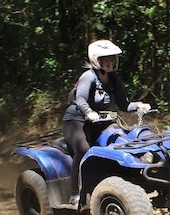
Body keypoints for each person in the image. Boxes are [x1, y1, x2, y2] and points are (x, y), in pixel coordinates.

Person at [62, 39, 151, 205]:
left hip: (99, 121)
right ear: (97, 60)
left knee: (120, 138)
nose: (110, 63)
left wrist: (138, 106)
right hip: (76, 120)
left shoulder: (113, 80)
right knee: (83, 150)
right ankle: (74, 192)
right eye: (106, 60)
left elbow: (124, 104)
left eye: (112, 59)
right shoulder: (88, 77)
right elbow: (80, 99)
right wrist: (89, 112)